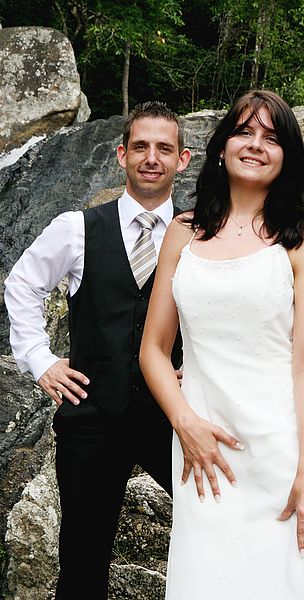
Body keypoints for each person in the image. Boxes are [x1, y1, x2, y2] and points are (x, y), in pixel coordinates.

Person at [140, 90, 304, 599]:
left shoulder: (303, 241)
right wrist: (185, 422)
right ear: (221, 146)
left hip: (290, 452)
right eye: (245, 131)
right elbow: (153, 349)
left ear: (287, 158)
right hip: (207, 454)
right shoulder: (182, 233)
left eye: (272, 137)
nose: (257, 144)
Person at [3, 101, 196, 600]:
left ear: (183, 159)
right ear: (120, 155)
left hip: (174, 418)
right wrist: (41, 361)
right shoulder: (76, 227)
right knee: (83, 565)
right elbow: (21, 286)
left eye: (164, 148)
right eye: (140, 147)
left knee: (218, 526)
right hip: (90, 417)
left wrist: (197, 372)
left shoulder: (201, 235)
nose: (151, 157)